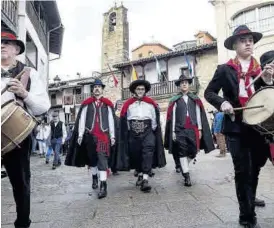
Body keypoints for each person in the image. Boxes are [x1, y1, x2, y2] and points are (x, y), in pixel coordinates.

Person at [204, 25, 274, 228]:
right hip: (236, 127)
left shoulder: (261, 71)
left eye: (251, 39)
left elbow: (267, 97)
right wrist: (223, 103)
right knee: (243, 171)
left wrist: (269, 80)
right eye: (243, 40)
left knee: (256, 169)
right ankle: (247, 216)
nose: (248, 43)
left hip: (258, 127)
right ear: (234, 45)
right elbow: (210, 92)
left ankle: (249, 199)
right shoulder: (225, 69)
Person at [1, 28, 50, 228]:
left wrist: (24, 93)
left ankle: (22, 222)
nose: (1, 45)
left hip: (17, 135)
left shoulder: (30, 74)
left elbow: (43, 107)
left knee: (20, 184)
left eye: (6, 43)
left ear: (16, 49)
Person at [65, 79, 116, 199]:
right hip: (89, 135)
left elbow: (111, 120)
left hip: (103, 136)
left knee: (102, 159)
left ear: (102, 89)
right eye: (95, 87)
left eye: (99, 87)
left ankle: (103, 186)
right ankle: (94, 177)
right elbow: (82, 119)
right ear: (93, 90)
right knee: (92, 160)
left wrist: (112, 136)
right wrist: (80, 135)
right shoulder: (87, 103)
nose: (97, 89)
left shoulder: (107, 104)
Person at [116, 79, 166, 193]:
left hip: (148, 132)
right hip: (133, 133)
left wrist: (149, 130)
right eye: (138, 89)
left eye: (142, 89)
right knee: (136, 155)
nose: (140, 91)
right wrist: (131, 131)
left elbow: (154, 121)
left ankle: (145, 180)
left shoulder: (151, 104)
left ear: (145, 91)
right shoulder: (128, 104)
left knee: (147, 154)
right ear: (134, 90)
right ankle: (139, 172)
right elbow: (125, 120)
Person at [164, 74, 214, 187]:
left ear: (189, 84)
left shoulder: (195, 99)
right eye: (182, 83)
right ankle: (186, 176)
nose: (184, 84)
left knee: (193, 151)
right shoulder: (175, 100)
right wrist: (173, 132)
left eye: (186, 82)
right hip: (179, 129)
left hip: (193, 128)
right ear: (179, 86)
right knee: (182, 151)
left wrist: (200, 129)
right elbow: (172, 118)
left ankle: (183, 166)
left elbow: (198, 114)